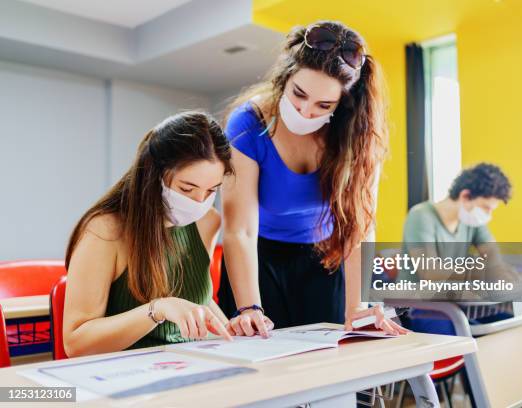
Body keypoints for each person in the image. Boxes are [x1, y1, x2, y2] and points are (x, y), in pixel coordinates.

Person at [218, 20, 407, 336]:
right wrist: (249, 308)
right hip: (257, 255)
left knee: (331, 357)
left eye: (324, 105)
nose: (305, 112)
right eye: (298, 94)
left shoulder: (357, 135)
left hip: (325, 257)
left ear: (342, 103)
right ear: (285, 78)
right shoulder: (248, 124)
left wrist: (358, 308)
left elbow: (359, 227)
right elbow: (239, 230)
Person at [63, 111, 233, 357]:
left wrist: (232, 331)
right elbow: (76, 344)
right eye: (187, 188)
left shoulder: (207, 221)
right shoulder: (105, 230)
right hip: (122, 373)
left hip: (186, 364)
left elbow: (198, 299)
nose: (199, 202)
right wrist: (156, 310)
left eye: (211, 191)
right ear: (154, 176)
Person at [402, 162, 513, 334]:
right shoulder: (421, 216)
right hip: (420, 306)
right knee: (459, 335)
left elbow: (493, 259)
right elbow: (431, 274)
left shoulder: (471, 221)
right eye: (486, 208)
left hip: (457, 304)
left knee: (508, 324)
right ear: (465, 196)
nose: (488, 216)